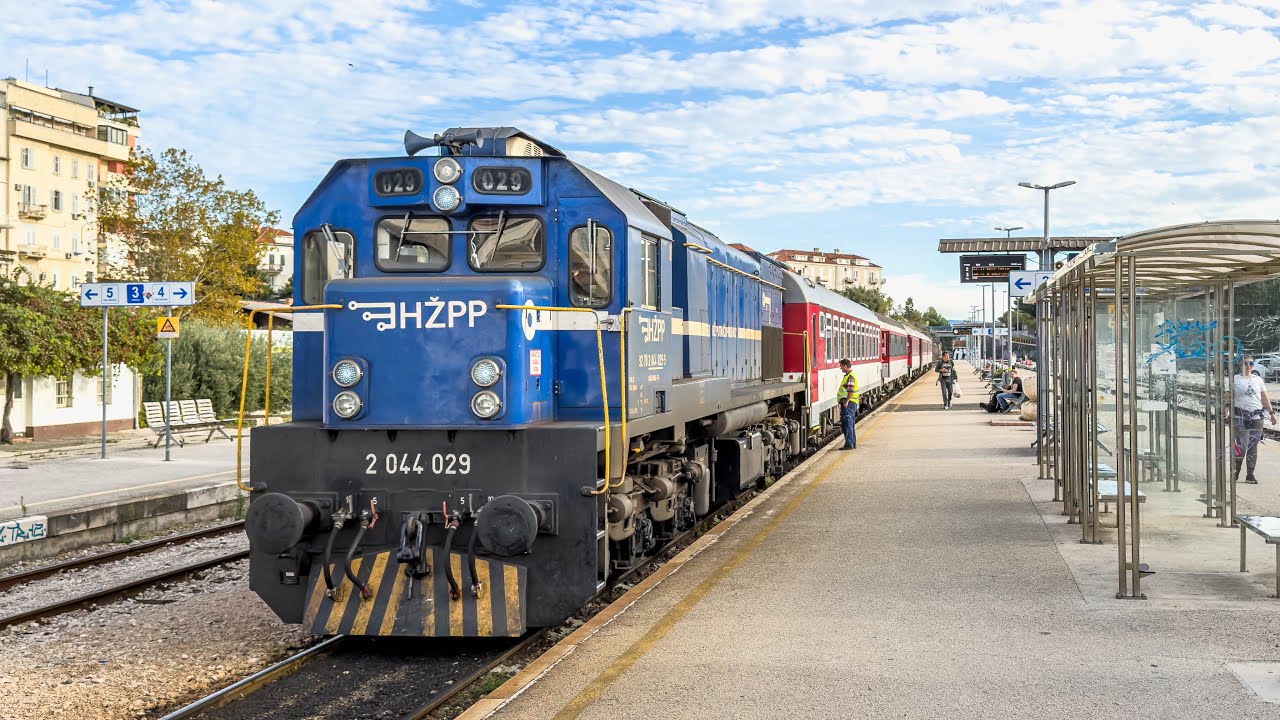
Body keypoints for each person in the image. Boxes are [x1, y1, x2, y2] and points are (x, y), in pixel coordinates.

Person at [1232, 356, 1276, 484]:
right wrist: (1226, 412)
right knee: (1242, 445)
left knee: (1253, 446)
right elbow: (1228, 398)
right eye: (1245, 363)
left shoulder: (1258, 379)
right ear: (1240, 365)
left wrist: (1271, 413)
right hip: (1240, 417)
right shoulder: (1234, 380)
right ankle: (1236, 469)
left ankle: (1250, 475)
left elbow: (1264, 397)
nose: (1249, 365)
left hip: (1257, 417)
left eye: (1251, 363)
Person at [837, 358, 859, 450]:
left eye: (841, 366)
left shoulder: (850, 377)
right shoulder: (848, 376)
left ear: (845, 366)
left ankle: (849, 444)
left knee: (847, 424)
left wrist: (846, 401)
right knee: (850, 424)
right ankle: (852, 443)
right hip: (851, 403)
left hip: (849, 404)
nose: (840, 368)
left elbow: (850, 391)